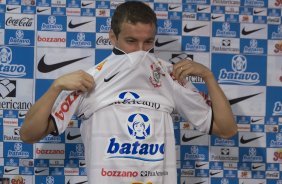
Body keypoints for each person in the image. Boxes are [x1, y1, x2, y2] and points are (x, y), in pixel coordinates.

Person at [20, 1, 237, 183]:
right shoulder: (89, 79)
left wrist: (208, 77)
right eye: (131, 41)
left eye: (149, 42)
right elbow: (29, 134)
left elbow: (225, 129)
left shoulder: (167, 75)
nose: (141, 51)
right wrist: (55, 86)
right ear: (112, 37)